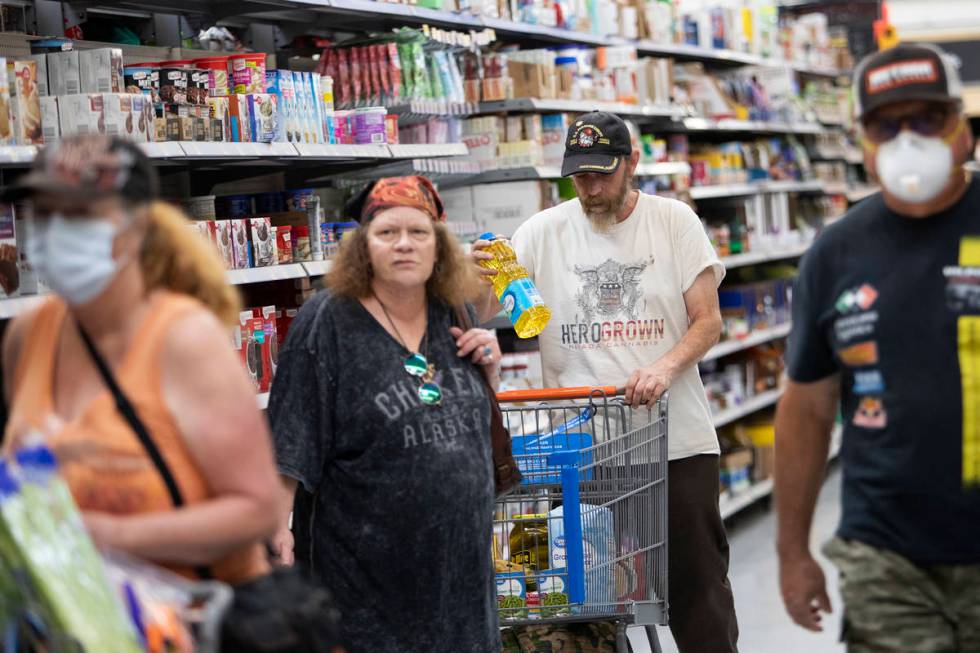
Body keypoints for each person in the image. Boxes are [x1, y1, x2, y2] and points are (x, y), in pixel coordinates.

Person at [474, 111, 738, 652]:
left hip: (673, 444)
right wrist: (479, 274)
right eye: (580, 176)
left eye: (603, 173)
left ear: (631, 163)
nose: (592, 188)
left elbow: (708, 320)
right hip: (578, 454)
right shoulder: (540, 232)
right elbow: (483, 308)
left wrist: (664, 367)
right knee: (579, 597)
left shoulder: (674, 221)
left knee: (697, 592)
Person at [0, 135, 281, 583]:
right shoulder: (29, 333)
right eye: (45, 212)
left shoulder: (184, 339)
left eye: (78, 214)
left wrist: (107, 535)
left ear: (135, 228)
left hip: (189, 623)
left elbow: (258, 510)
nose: (54, 230)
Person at [775, 42, 980, 652]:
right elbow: (807, 411)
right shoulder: (835, 253)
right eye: (886, 126)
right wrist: (793, 554)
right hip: (884, 554)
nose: (906, 140)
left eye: (927, 120)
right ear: (864, 143)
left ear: (963, 128)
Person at [268, 175, 502, 653]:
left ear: (439, 246)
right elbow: (290, 436)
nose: (404, 245)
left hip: (460, 582)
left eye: (419, 233)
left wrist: (490, 371)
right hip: (363, 580)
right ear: (363, 247)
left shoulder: (452, 309)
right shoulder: (328, 322)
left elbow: (469, 420)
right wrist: (275, 528)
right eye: (387, 233)